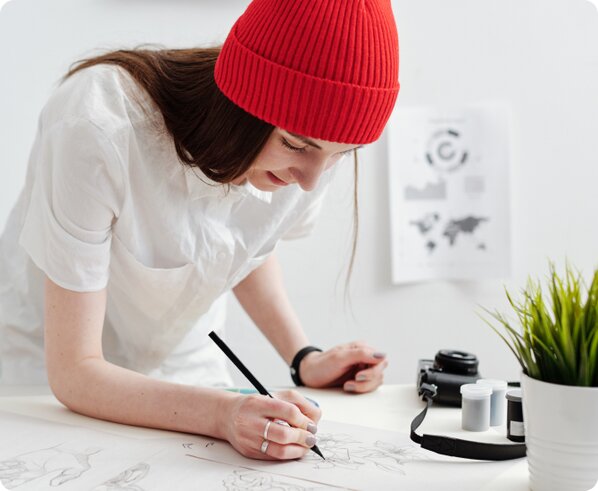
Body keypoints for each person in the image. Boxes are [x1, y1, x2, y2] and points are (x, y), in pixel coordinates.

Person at [0, 0, 400, 460]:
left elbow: (243, 242)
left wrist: (303, 358)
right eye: (295, 144)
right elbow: (74, 372)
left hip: (185, 374)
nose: (310, 181)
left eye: (339, 155)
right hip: (46, 371)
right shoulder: (98, 126)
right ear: (239, 107)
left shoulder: (311, 152)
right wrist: (222, 414)